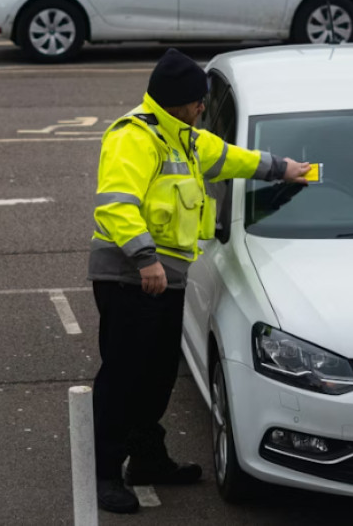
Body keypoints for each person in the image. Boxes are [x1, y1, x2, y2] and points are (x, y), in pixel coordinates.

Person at [87, 48, 310, 514]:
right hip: (130, 279)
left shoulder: (184, 137)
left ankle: (147, 458)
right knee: (124, 378)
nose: (203, 108)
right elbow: (115, 205)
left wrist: (283, 169)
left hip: (164, 280)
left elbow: (230, 157)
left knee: (156, 377)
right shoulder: (135, 137)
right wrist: (144, 259)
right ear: (175, 103)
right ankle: (105, 473)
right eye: (197, 102)